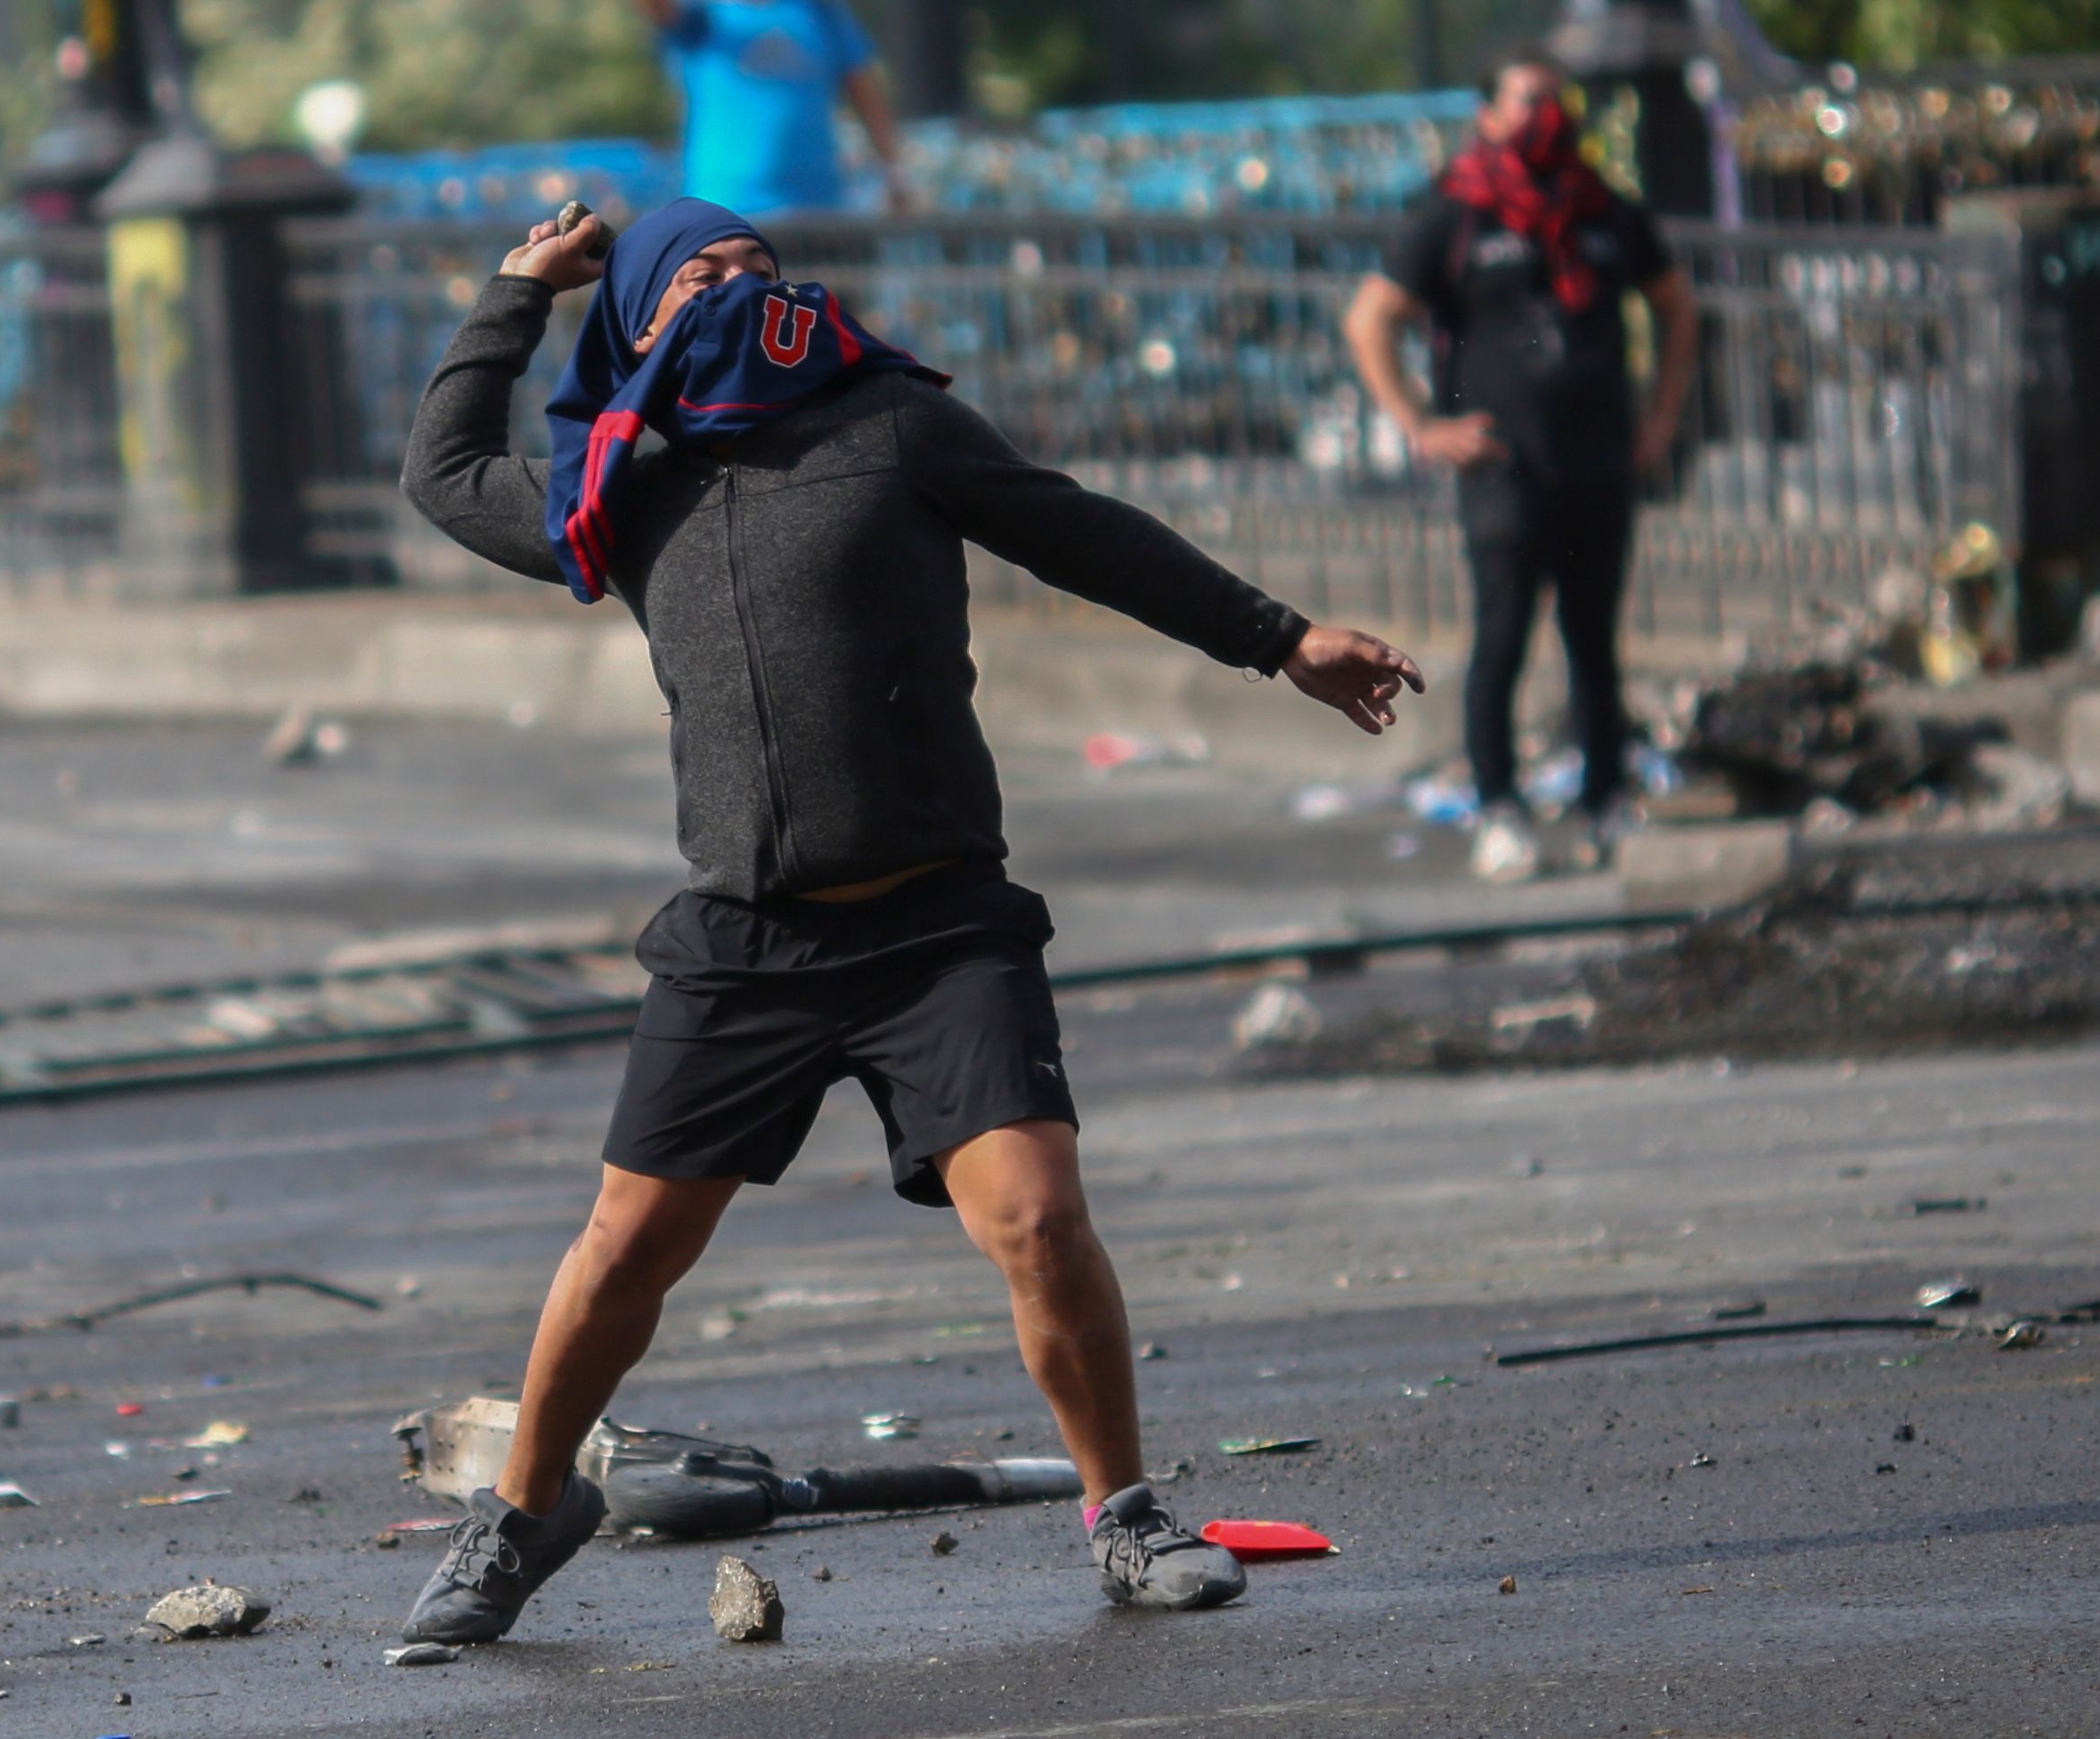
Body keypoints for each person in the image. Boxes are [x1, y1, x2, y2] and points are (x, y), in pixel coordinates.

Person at [395, 196, 1421, 1644]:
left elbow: (1088, 537)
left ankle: (1121, 1512)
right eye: (699, 273)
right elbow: (439, 470)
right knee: (623, 1252)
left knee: (1041, 1218)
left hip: (938, 927)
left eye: (758, 266)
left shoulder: (891, 421)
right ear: (632, 314)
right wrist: (516, 292)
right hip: (745, 942)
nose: (743, 285)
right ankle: (524, 1512)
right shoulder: (615, 482)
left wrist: (1280, 640)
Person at [1343, 46, 1698, 882]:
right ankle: (1498, 806)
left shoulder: (1601, 209)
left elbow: (1677, 306)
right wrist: (1423, 427)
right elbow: (1370, 320)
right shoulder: (1456, 209)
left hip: (1597, 463)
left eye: (1556, 101)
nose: (1547, 117)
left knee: (1594, 643)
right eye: (1529, 101)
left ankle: (1605, 799)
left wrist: (1659, 418)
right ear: (1489, 117)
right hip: (1504, 469)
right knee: (1501, 638)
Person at [632, 0, 908, 215]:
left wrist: (894, 173)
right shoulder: (701, 15)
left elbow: (864, 92)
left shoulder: (820, 12)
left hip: (819, 208)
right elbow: (659, 11)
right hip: (726, 210)